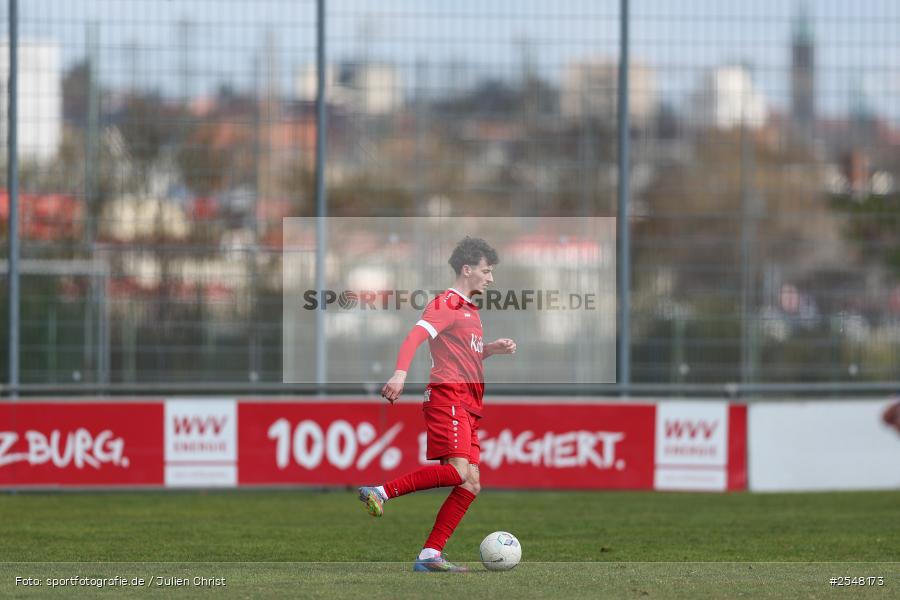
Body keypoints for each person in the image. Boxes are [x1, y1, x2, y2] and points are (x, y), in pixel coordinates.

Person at [358, 236, 516, 573]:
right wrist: (400, 374)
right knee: (459, 472)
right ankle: (381, 491)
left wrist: (489, 349)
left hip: (469, 404)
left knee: (471, 482)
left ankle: (430, 555)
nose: (491, 279)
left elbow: (462, 353)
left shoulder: (470, 311)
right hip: (450, 397)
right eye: (487, 271)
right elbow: (415, 336)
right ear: (467, 269)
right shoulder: (446, 304)